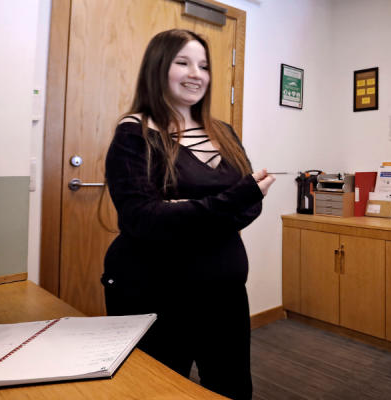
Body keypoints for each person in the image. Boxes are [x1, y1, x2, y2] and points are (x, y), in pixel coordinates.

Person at [101, 29, 275, 400]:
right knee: (157, 390)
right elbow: (142, 220)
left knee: (231, 387)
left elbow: (252, 204)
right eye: (183, 62)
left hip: (225, 294)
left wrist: (185, 210)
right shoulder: (135, 132)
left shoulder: (223, 132)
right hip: (155, 294)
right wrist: (232, 199)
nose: (196, 73)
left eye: (204, 65)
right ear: (158, 68)